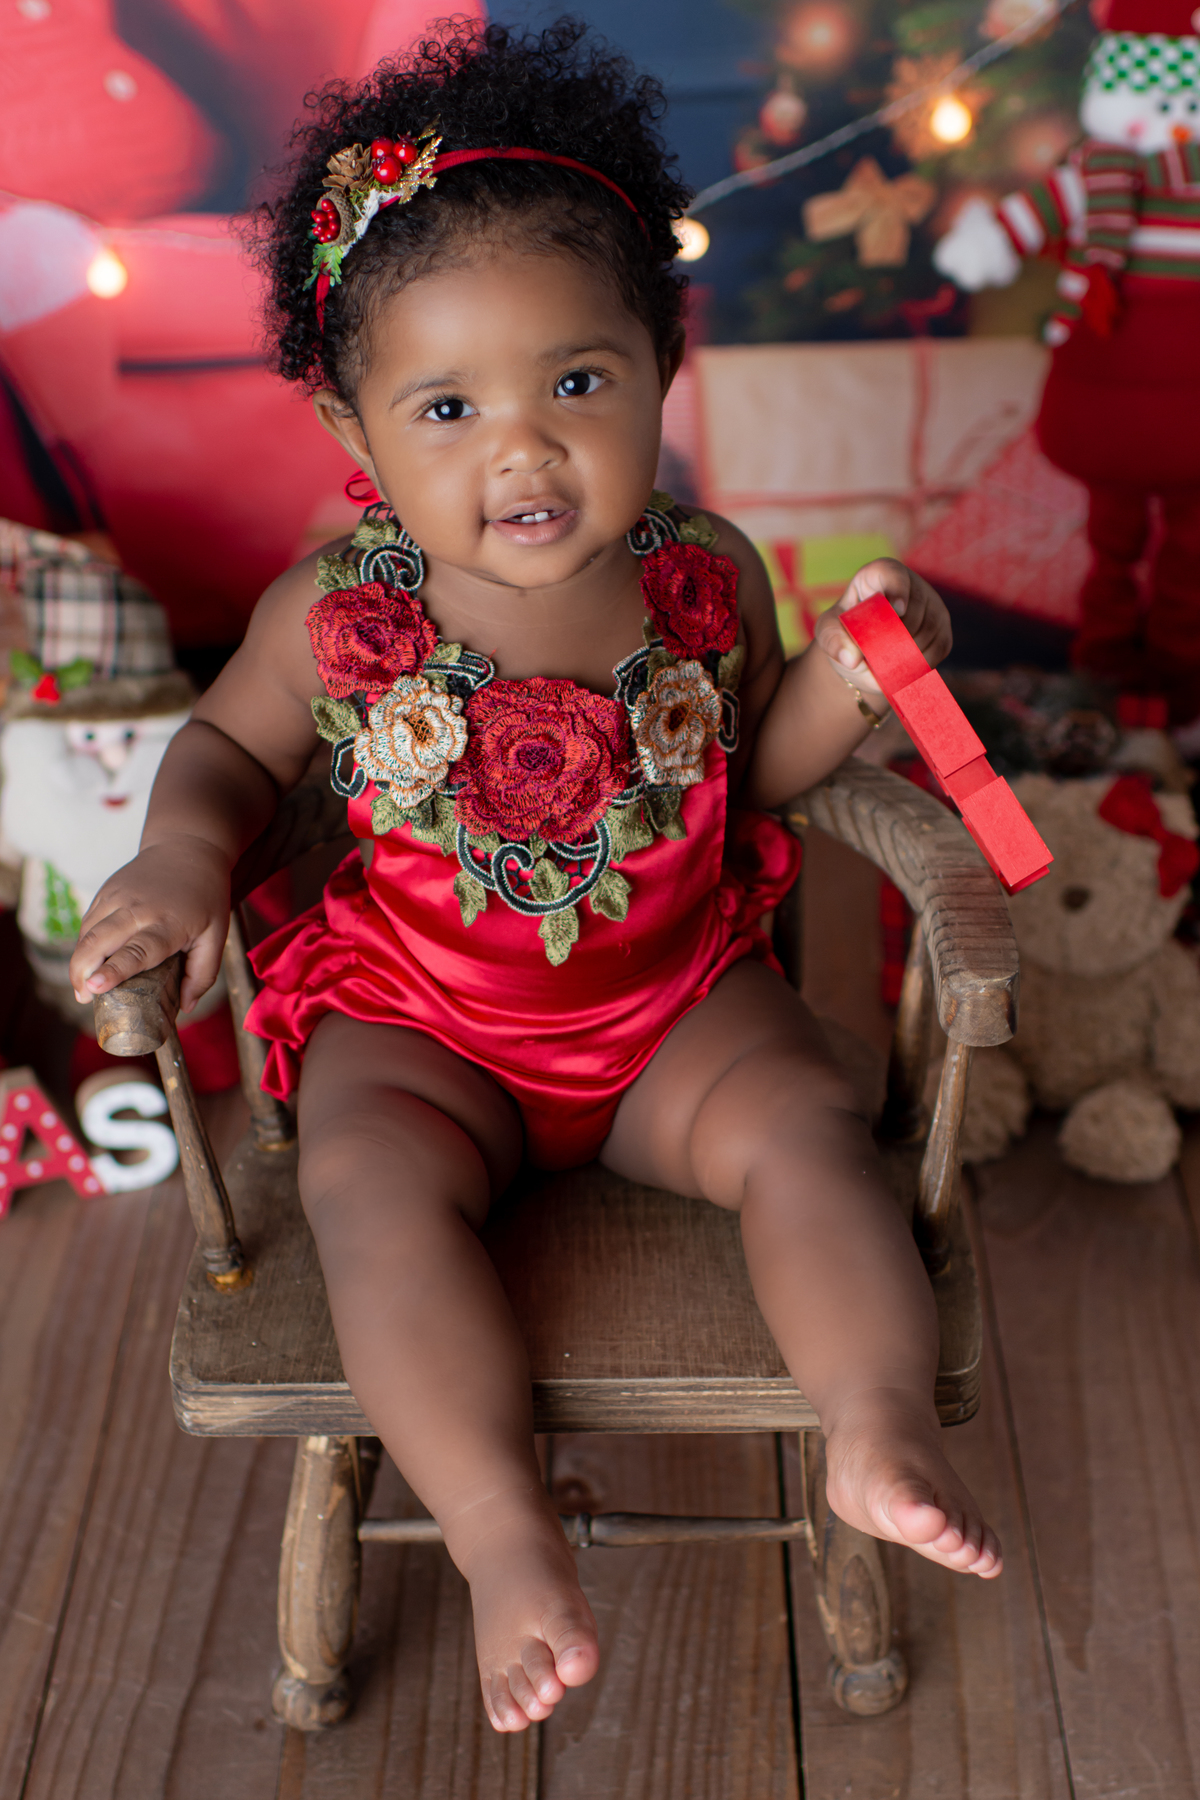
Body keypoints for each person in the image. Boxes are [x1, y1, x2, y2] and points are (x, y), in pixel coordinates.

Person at [69, 17, 1001, 1736]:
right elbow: (224, 754)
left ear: (663, 361)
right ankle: (506, 1535)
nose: (524, 449)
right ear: (355, 418)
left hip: (671, 1009)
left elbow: (755, 772)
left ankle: (873, 1420)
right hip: (424, 1021)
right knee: (364, 1185)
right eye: (449, 405)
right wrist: (184, 860)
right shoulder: (335, 615)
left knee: (810, 1126)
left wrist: (851, 684)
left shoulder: (703, 573)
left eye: (579, 383)